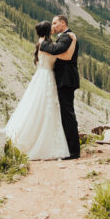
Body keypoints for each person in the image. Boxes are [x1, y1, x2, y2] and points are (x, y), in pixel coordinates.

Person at [5, 20, 76, 160]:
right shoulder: (46, 45)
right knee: (47, 109)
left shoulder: (41, 43)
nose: (53, 28)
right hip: (47, 77)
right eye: (52, 26)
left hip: (42, 76)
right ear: (48, 30)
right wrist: (73, 41)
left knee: (39, 108)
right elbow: (67, 56)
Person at [39, 15, 81, 159]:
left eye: (55, 23)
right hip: (63, 79)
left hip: (66, 79)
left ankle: (74, 151)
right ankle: (71, 148)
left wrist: (42, 43)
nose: (53, 25)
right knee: (66, 113)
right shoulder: (66, 36)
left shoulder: (67, 37)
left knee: (67, 113)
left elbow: (56, 50)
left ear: (63, 23)